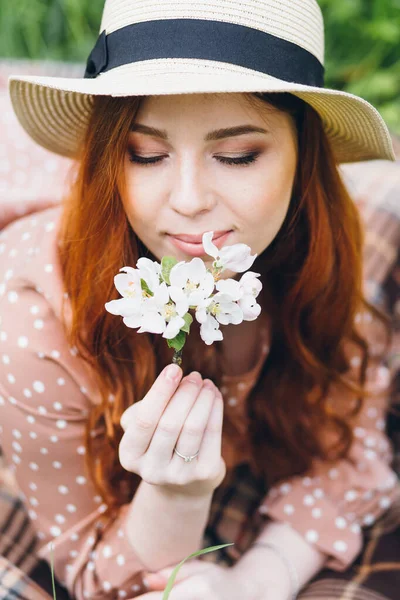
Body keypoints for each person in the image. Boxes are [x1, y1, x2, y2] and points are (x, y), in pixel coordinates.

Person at [1, 0, 399, 598]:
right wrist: (177, 495)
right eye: (146, 154)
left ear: (305, 159)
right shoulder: (37, 320)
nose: (188, 200)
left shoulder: (326, 254)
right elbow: (88, 571)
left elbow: (351, 455)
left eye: (237, 156)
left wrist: (261, 578)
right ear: (112, 157)